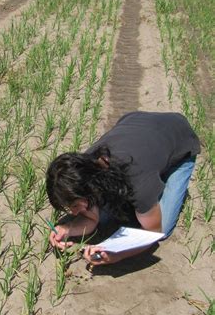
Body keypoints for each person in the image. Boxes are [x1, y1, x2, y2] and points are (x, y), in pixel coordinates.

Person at [46, 111, 200, 265]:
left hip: (179, 137)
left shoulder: (136, 180)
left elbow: (153, 232)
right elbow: (90, 218)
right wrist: (67, 229)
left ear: (88, 189)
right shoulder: (82, 169)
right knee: (106, 213)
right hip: (136, 125)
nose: (73, 212)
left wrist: (117, 255)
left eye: (74, 205)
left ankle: (162, 174)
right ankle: (156, 173)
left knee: (163, 227)